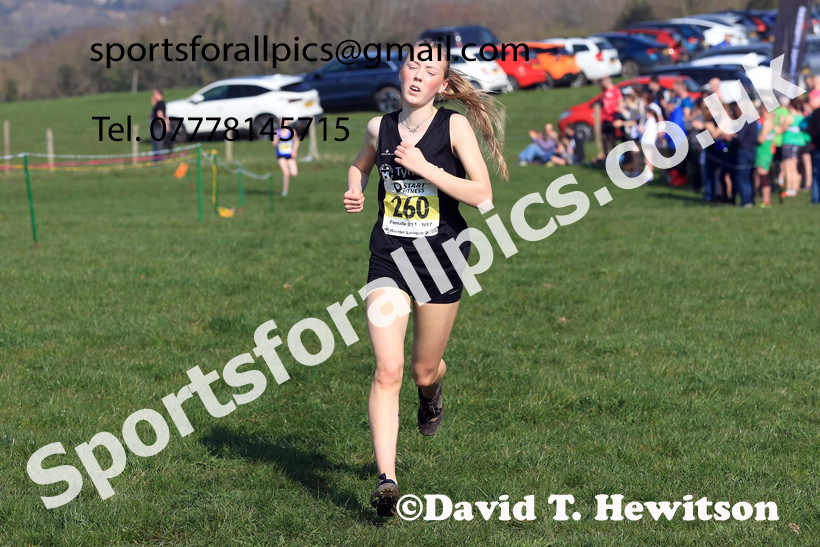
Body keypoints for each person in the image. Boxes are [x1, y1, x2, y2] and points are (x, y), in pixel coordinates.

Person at [342, 39, 507, 517]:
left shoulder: (453, 126)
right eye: (413, 65)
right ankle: (387, 480)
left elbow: (482, 194)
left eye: (429, 70)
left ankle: (431, 395)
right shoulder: (379, 127)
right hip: (389, 259)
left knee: (422, 370)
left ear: (443, 84)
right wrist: (355, 188)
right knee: (388, 368)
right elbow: (359, 165)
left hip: (441, 260)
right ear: (401, 72)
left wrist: (425, 168)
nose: (418, 75)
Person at [723, 101, 758, 207]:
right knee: (749, 177)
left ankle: (745, 201)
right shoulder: (753, 120)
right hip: (752, 150)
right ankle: (750, 200)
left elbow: (740, 139)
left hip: (744, 151)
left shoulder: (744, 120)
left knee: (743, 178)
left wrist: (731, 138)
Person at [780, 98, 805, 197]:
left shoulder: (790, 117)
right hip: (798, 143)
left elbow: (781, 130)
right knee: (794, 168)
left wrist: (782, 121)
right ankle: (794, 189)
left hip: (788, 143)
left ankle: (789, 189)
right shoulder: (801, 116)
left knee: (788, 167)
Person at [755, 102, 776, 208]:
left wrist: (752, 137)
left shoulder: (767, 121)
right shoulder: (771, 120)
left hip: (764, 151)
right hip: (765, 151)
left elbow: (762, 139)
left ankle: (766, 200)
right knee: (762, 175)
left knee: (763, 176)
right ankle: (765, 199)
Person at [599, 76, 624, 157]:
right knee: (603, 138)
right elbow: (598, 85)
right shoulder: (605, 91)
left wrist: (618, 110)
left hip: (613, 117)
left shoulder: (615, 90)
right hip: (605, 118)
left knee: (612, 138)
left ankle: (614, 157)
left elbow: (620, 101)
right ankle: (606, 156)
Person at [273, 124, 299, 196]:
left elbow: (296, 141)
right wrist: (277, 141)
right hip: (281, 156)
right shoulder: (277, 132)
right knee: (286, 173)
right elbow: (273, 144)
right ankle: (285, 191)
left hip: (290, 155)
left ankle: (288, 172)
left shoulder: (292, 131)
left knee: (294, 173)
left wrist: (294, 151)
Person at [806, 89, 820, 204]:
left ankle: (816, 199)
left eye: (811, 100)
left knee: (817, 174)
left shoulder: (816, 113)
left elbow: (811, 130)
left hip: (818, 147)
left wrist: (814, 139)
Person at [149, 88, 170, 161]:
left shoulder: (160, 104)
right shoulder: (161, 103)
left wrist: (164, 126)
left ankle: (159, 162)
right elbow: (165, 116)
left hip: (158, 128)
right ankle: (159, 161)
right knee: (158, 145)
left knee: (158, 146)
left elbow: (160, 115)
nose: (153, 95)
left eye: (154, 94)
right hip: (159, 127)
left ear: (157, 94)